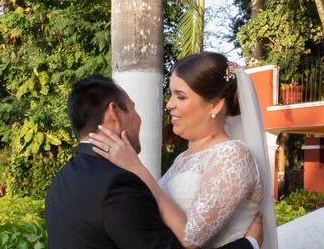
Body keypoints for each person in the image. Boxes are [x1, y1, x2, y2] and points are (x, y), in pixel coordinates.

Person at [45, 74, 262, 249]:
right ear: (115, 113)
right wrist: (249, 244)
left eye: (181, 96)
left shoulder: (60, 183)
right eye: (133, 107)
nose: (169, 106)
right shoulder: (117, 185)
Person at [89, 52, 275, 249]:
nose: (169, 105)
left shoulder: (233, 155)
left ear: (215, 105)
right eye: (171, 94)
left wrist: (136, 168)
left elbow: (192, 238)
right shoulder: (183, 158)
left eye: (181, 96)